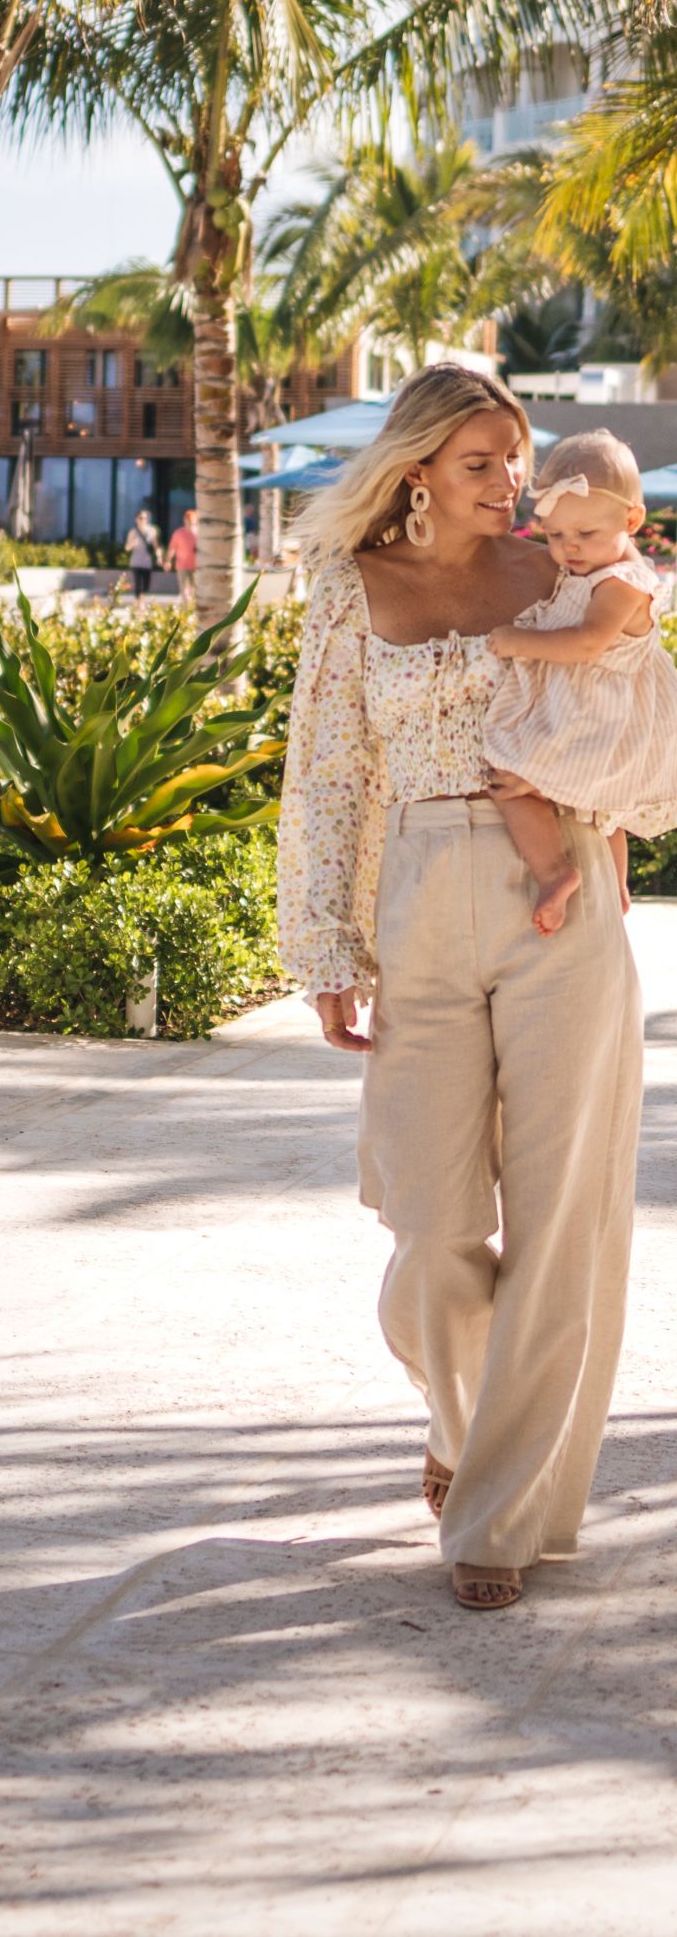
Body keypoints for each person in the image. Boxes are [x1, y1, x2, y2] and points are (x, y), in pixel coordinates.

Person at [278, 365, 644, 1615]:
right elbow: (323, 779)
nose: (511, 485)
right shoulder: (349, 590)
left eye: (519, 459)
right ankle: (458, 1413)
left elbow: (628, 718)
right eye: (483, 462)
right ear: (419, 467)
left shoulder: (564, 577)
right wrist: (324, 950)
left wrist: (611, 842)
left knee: (559, 1225)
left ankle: (493, 1518)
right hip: (421, 893)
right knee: (429, 1227)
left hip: (566, 897)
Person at [484, 431, 677, 932]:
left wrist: (516, 642)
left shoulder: (623, 583)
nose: (569, 547)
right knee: (601, 817)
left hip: (599, 716)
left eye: (585, 535)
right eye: (554, 536)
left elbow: (589, 643)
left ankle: (555, 872)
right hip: (590, 708)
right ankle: (614, 893)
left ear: (632, 521)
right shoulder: (593, 568)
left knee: (511, 779)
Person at [166, 507, 198, 605]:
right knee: (184, 588)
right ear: (184, 520)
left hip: (196, 566)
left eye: (192, 521)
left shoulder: (198, 533)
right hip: (182, 566)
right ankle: (186, 609)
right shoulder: (178, 533)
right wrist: (168, 561)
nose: (189, 523)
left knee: (194, 589)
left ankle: (193, 608)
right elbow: (172, 548)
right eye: (188, 520)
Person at [124, 508, 157, 598]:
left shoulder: (152, 531)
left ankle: (141, 601)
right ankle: (139, 604)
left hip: (147, 562)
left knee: (146, 586)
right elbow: (127, 548)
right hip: (136, 562)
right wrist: (132, 543)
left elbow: (155, 545)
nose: (143, 520)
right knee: (138, 585)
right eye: (140, 518)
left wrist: (159, 556)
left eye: (145, 518)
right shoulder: (133, 532)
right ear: (136, 519)